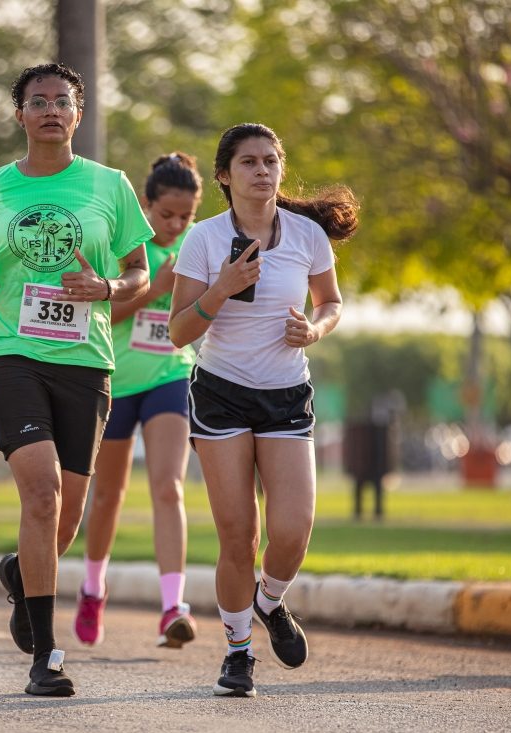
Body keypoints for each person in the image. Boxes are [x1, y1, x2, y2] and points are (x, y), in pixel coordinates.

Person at [0, 63, 153, 696]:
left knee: (65, 516)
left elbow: (140, 272)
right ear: (20, 116)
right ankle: (45, 658)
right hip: (10, 352)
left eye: (63, 101)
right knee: (41, 493)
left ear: (78, 115)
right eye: (38, 102)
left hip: (86, 360)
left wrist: (106, 286)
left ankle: (21, 573)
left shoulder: (110, 186)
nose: (51, 110)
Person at [168, 123, 356, 697]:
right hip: (221, 393)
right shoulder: (203, 240)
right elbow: (179, 331)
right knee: (238, 537)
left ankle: (269, 601)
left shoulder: (306, 236)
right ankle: (237, 652)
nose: (262, 170)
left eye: (270, 161)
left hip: (285, 395)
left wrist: (315, 329)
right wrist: (221, 288)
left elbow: (331, 302)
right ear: (224, 176)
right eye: (248, 162)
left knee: (293, 530)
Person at [77, 153, 202, 648]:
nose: (175, 225)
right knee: (108, 495)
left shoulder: (197, 247)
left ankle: (173, 606)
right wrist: (157, 289)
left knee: (169, 487)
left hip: (171, 375)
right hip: (116, 380)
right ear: (146, 204)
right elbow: (103, 314)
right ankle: (92, 589)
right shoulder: (124, 246)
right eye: (166, 214)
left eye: (185, 216)